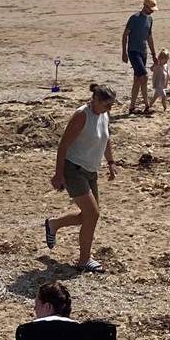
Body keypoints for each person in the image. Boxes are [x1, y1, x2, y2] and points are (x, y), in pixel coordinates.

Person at [43, 85, 118, 273]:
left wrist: (111, 162)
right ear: (96, 100)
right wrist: (58, 174)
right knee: (93, 214)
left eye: (112, 105)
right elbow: (63, 145)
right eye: (107, 105)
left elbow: (106, 139)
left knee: (87, 216)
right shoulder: (82, 115)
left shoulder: (104, 115)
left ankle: (53, 224)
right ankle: (84, 260)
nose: (109, 109)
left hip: (91, 171)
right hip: (74, 170)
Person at [121, 0, 157, 113]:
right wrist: (124, 52)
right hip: (133, 51)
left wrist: (153, 54)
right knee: (144, 76)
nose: (152, 11)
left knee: (137, 79)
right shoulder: (134, 18)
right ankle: (146, 105)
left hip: (143, 52)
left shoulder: (150, 20)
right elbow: (125, 35)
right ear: (145, 6)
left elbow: (149, 37)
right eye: (150, 9)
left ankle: (132, 107)